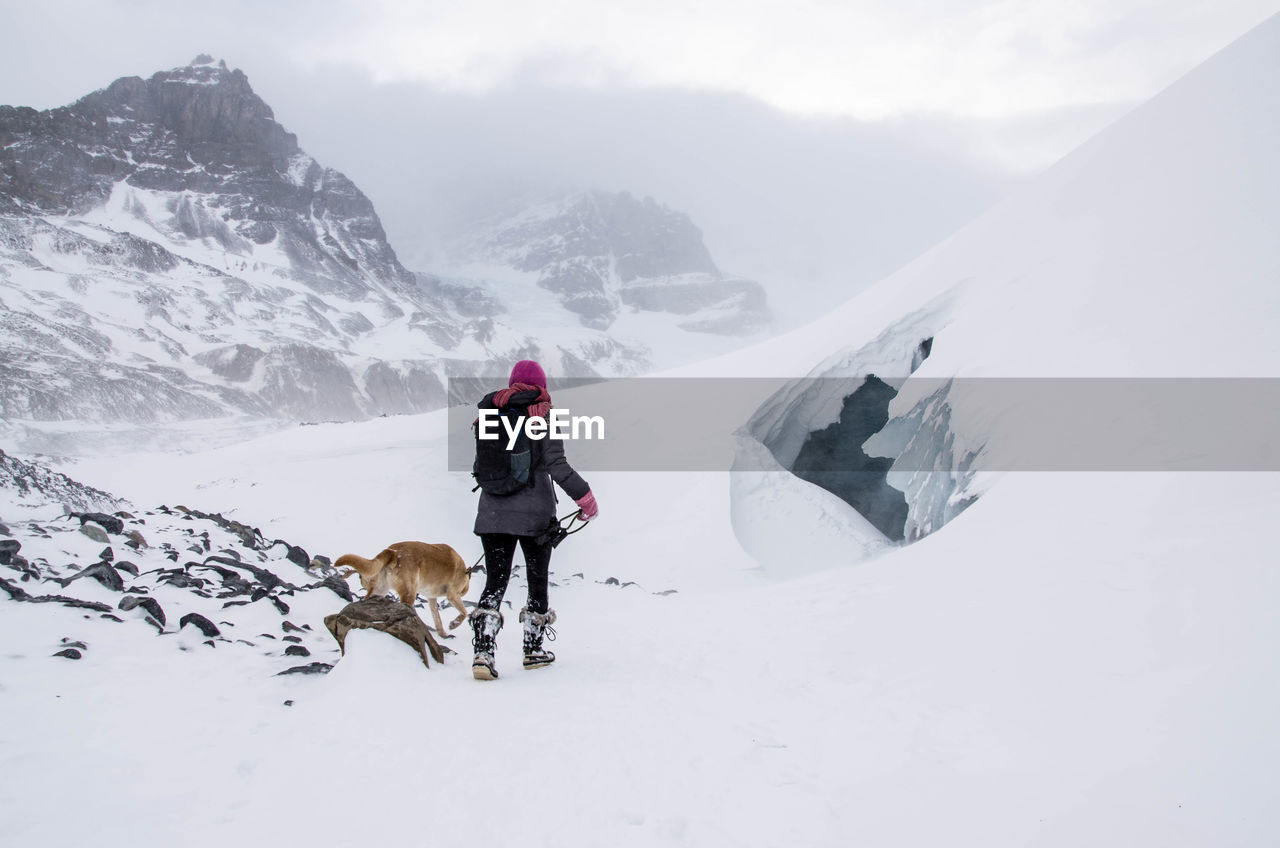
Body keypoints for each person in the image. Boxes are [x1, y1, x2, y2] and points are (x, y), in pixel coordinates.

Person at [469, 359, 598, 680]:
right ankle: (533, 649)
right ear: (541, 386)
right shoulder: (543, 415)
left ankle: (483, 652)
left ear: (512, 383)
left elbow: (481, 465)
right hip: (535, 516)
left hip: (492, 512)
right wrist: (585, 498)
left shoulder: (490, 411)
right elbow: (557, 464)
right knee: (536, 581)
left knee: (495, 582)